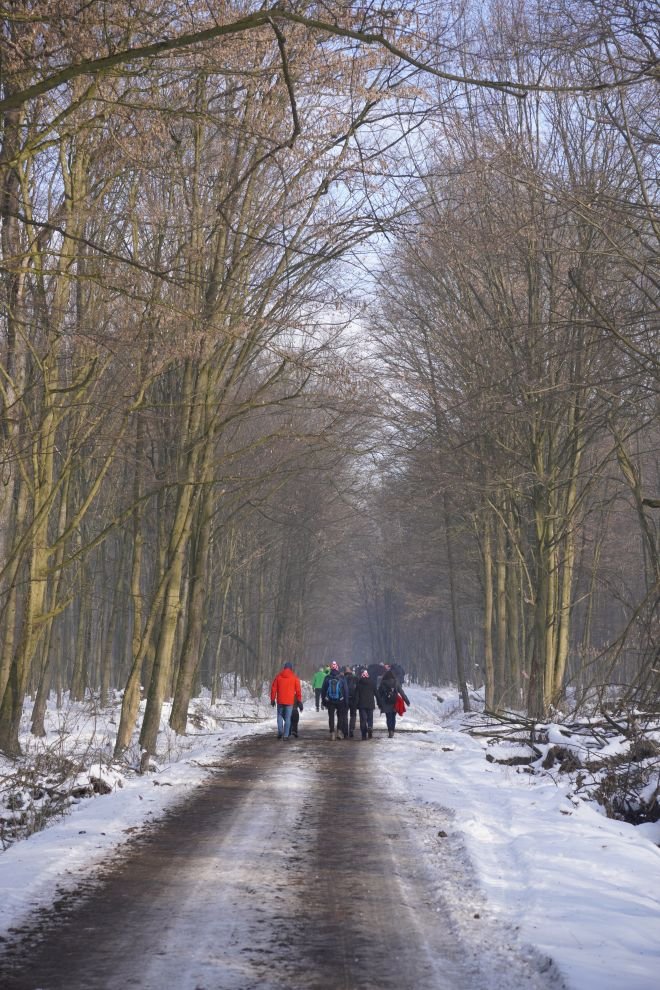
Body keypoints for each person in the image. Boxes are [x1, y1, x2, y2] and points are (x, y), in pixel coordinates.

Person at [270, 661, 303, 739]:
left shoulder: (278, 677)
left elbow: (273, 688)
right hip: (289, 701)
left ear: (284, 668)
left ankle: (280, 731)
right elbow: (298, 690)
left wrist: (272, 699)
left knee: (279, 715)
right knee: (288, 717)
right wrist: (299, 700)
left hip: (280, 700)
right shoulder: (294, 677)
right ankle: (285, 735)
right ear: (291, 668)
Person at [377, 664, 410, 738]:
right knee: (393, 717)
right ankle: (392, 730)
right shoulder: (396, 682)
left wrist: (379, 703)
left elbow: (379, 694)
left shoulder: (382, 683)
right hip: (395, 702)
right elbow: (402, 693)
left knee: (388, 717)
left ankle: (390, 730)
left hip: (386, 703)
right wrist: (407, 701)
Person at [321, 661, 349, 740]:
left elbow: (323, 690)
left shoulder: (327, 677)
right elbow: (346, 690)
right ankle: (339, 732)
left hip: (330, 700)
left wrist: (323, 701)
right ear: (338, 668)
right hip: (340, 700)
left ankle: (332, 733)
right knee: (340, 716)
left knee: (331, 716)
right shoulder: (342, 677)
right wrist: (346, 701)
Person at [355, 668, 378, 740]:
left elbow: (356, 696)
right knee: (370, 718)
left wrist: (355, 705)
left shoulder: (359, 684)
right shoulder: (372, 683)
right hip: (370, 704)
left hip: (361, 705)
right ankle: (370, 727)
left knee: (363, 719)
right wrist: (380, 703)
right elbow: (377, 694)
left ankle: (364, 735)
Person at [344, 665, 358, 737]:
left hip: (345, 699)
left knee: (345, 715)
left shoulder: (343, 678)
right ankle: (351, 729)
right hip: (353, 699)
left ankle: (345, 731)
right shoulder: (355, 678)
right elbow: (358, 689)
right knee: (353, 715)